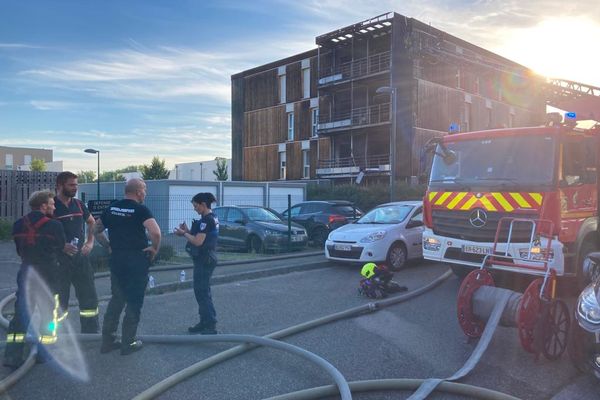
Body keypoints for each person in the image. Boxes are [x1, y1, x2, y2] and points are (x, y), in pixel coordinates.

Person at [95, 178, 161, 355]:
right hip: (136, 261)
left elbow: (95, 229)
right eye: (144, 190)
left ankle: (107, 341)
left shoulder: (112, 208)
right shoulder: (140, 209)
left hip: (117, 260)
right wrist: (154, 249)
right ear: (138, 191)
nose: (145, 193)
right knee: (134, 301)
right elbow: (155, 232)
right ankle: (128, 342)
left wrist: (108, 245)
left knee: (117, 299)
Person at [3, 190, 66, 369]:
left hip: (26, 274)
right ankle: (44, 353)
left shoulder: (17, 225)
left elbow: (19, 250)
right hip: (47, 276)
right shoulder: (55, 226)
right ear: (43, 205)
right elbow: (60, 247)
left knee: (21, 315)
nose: (54, 206)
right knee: (48, 315)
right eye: (52, 203)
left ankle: (12, 355)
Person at [54, 171, 100, 333]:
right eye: (71, 185)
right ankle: (54, 336)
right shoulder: (51, 206)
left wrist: (89, 242)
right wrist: (61, 246)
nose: (75, 188)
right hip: (60, 262)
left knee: (89, 298)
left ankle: (90, 333)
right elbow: (43, 235)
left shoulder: (79, 204)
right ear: (60, 186)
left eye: (76, 185)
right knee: (59, 302)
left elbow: (91, 222)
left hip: (80, 260)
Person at [174, 192, 219, 334]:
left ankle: (210, 324)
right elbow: (201, 237)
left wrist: (183, 234)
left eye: (195, 206)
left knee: (202, 292)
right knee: (202, 291)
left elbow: (198, 241)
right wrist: (188, 230)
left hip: (204, 259)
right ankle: (204, 321)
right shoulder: (212, 218)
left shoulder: (207, 220)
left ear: (203, 204)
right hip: (207, 258)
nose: (194, 209)